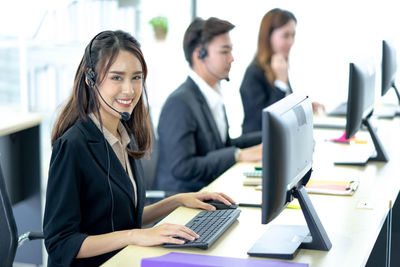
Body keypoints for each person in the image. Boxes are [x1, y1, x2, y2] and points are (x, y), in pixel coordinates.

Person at [43, 30, 236, 267]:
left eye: (136, 77)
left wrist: (177, 201)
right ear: (90, 79)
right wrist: (136, 234)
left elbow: (123, 217)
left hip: (126, 259)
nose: (130, 90)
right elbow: (60, 243)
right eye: (117, 77)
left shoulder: (124, 135)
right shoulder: (73, 146)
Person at [155, 17, 262, 193]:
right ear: (200, 55)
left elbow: (222, 146)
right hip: (182, 203)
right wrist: (238, 155)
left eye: (231, 51)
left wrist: (270, 137)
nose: (232, 58)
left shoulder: (211, 94)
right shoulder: (179, 103)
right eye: (224, 52)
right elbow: (183, 167)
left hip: (211, 191)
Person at [240, 8, 324, 134]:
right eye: (285, 35)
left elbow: (285, 110)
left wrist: (305, 108)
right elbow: (267, 121)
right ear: (268, 37)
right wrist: (280, 83)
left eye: (293, 35)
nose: (291, 42)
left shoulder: (277, 66)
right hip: (258, 147)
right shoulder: (253, 74)